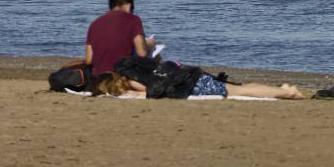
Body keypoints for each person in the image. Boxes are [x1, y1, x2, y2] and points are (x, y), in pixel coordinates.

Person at [92, 71, 305, 100]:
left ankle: (288, 92)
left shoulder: (130, 83)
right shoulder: (130, 80)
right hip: (190, 80)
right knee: (241, 89)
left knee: (242, 90)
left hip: (193, 85)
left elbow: (153, 89)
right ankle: (284, 89)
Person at [85, 0, 155, 76]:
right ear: (128, 6)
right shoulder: (133, 19)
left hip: (99, 79)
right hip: (121, 77)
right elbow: (142, 53)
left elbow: (89, 60)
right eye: (132, 10)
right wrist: (150, 44)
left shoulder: (94, 24)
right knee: (154, 55)